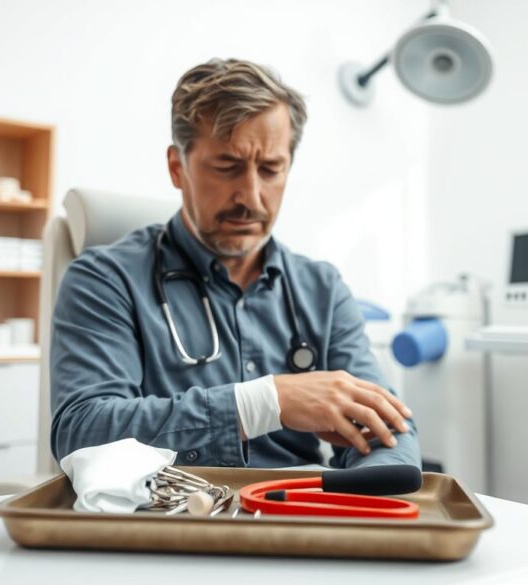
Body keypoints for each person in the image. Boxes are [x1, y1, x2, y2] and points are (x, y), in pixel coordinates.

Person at [50, 58, 420, 469]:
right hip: (169, 519)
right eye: (228, 167)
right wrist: (266, 402)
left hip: (298, 520)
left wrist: (368, 494)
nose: (252, 197)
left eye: (270, 169)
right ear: (178, 167)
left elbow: (389, 428)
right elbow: (81, 431)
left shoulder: (322, 289)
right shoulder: (106, 279)